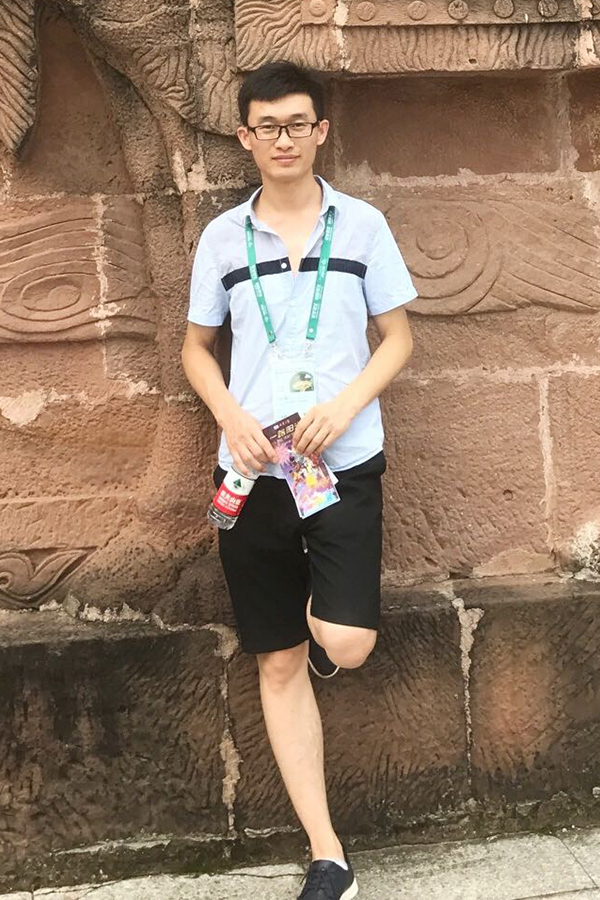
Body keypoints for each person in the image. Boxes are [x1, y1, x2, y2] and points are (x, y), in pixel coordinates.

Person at [182, 61, 417, 900]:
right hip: (252, 474)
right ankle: (329, 855)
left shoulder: (363, 227)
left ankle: (326, 620)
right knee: (276, 663)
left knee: (344, 643)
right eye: (266, 126)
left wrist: (346, 405)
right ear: (245, 138)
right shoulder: (222, 239)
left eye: (296, 124)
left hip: (339, 464)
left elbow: (398, 337)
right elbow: (195, 349)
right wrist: (231, 417)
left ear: (320, 131)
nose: (282, 139)